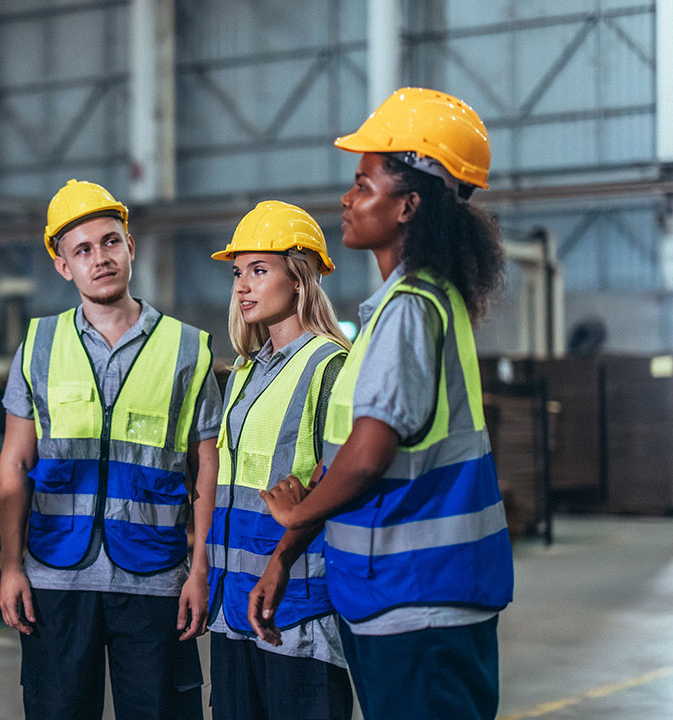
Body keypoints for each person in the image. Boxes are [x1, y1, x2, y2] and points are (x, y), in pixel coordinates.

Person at [251, 88, 514, 720]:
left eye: (363, 184)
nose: (347, 198)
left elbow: (368, 458)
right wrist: (286, 555)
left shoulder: (408, 312)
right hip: (397, 597)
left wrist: (294, 517)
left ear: (408, 205)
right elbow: (350, 455)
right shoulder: (404, 312)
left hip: (419, 602)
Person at [0, 179, 221, 719]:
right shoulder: (38, 345)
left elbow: (208, 466)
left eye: (110, 242)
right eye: (83, 249)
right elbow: (15, 462)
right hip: (55, 575)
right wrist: (10, 566)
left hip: (155, 578)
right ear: (62, 265)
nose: (100, 258)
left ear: (130, 247)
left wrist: (199, 571)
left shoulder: (187, 348)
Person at [205, 200, 353, 719]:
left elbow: (340, 483)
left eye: (259, 271)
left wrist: (280, 562)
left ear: (299, 279)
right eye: (237, 272)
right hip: (231, 607)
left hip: (298, 609)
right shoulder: (243, 373)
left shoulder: (329, 367)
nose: (242, 285)